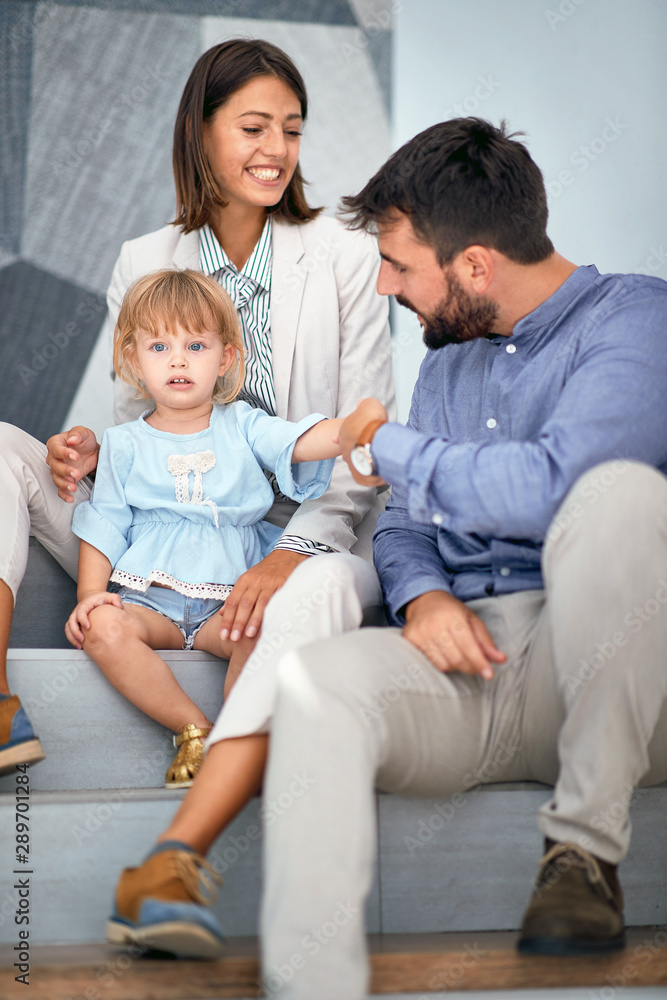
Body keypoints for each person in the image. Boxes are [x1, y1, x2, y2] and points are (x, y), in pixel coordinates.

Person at [108, 117, 667, 992]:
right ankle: (311, 982)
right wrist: (421, 598)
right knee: (313, 683)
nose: (381, 285)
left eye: (399, 265)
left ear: (475, 266)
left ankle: (581, 856)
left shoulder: (634, 317)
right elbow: (403, 525)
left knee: (624, 496)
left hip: (604, 668)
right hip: (468, 662)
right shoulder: (445, 367)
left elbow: (557, 487)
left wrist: (393, 445)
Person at [0, 38, 394, 775]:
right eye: (253, 128)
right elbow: (137, 430)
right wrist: (85, 451)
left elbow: (359, 448)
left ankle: (225, 765)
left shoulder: (343, 250)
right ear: (200, 131)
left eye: (292, 127)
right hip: (158, 545)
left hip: (305, 533)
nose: (277, 149)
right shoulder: (145, 258)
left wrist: (284, 558)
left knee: (298, 596)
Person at [65, 268, 346, 789]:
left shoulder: (242, 423)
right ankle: (195, 729)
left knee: (266, 631)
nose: (177, 359)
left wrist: (350, 431)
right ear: (133, 359)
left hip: (228, 603)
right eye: (158, 346)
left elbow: (297, 443)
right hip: (152, 603)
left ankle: (239, 740)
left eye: (195, 344)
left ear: (226, 358)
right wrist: (89, 596)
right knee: (103, 631)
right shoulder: (123, 443)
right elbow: (104, 522)